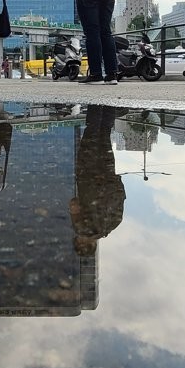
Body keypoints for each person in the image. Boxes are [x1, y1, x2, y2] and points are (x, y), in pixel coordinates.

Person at [70, 104, 125, 255]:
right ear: (80, 243)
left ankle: (109, 101)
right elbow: (74, 204)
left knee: (104, 133)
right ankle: (96, 99)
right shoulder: (81, 228)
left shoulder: (112, 225)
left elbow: (120, 199)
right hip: (88, 174)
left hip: (108, 174)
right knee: (91, 131)